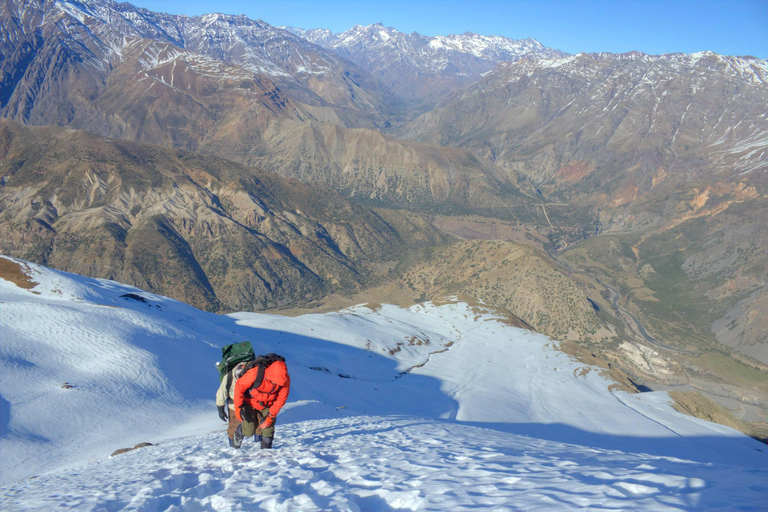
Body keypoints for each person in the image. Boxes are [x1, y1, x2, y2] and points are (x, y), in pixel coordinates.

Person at [233, 355, 290, 449]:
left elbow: (281, 399)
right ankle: (239, 432)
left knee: (268, 430)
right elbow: (239, 386)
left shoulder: (285, 380)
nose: (277, 385)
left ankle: (265, 455)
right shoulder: (256, 373)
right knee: (249, 431)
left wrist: (271, 416)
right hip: (250, 402)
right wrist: (237, 406)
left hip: (268, 405)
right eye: (275, 382)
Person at [215, 360, 251, 448]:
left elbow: (221, 394)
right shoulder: (230, 376)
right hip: (249, 404)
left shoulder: (230, 376)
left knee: (234, 426)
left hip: (235, 405)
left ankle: (233, 446)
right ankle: (258, 441)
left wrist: (221, 409)